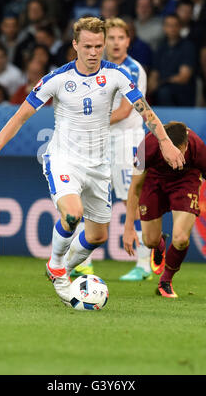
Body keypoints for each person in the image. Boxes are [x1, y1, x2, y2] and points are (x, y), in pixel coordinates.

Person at [0, 16, 185, 307]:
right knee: (72, 213)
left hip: (98, 165)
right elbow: (20, 116)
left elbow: (145, 112)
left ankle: (62, 268)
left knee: (98, 235)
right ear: (75, 45)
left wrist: (165, 142)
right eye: (87, 46)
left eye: (98, 46)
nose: (93, 52)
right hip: (64, 160)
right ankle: (56, 266)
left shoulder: (116, 75)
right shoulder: (58, 79)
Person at [71, 17, 152, 280]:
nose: (116, 43)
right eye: (112, 39)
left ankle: (144, 264)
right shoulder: (98, 69)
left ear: (128, 41)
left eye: (121, 38)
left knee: (133, 199)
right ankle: (84, 263)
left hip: (129, 141)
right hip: (101, 141)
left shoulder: (133, 69)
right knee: (90, 197)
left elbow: (126, 109)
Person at [123, 121, 206, 298]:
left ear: (186, 145)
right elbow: (135, 187)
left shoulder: (198, 147)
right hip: (154, 180)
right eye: (170, 153)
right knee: (149, 241)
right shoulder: (148, 145)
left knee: (181, 239)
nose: (174, 159)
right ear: (163, 144)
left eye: (181, 153)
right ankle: (159, 244)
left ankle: (166, 281)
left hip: (185, 181)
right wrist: (128, 227)